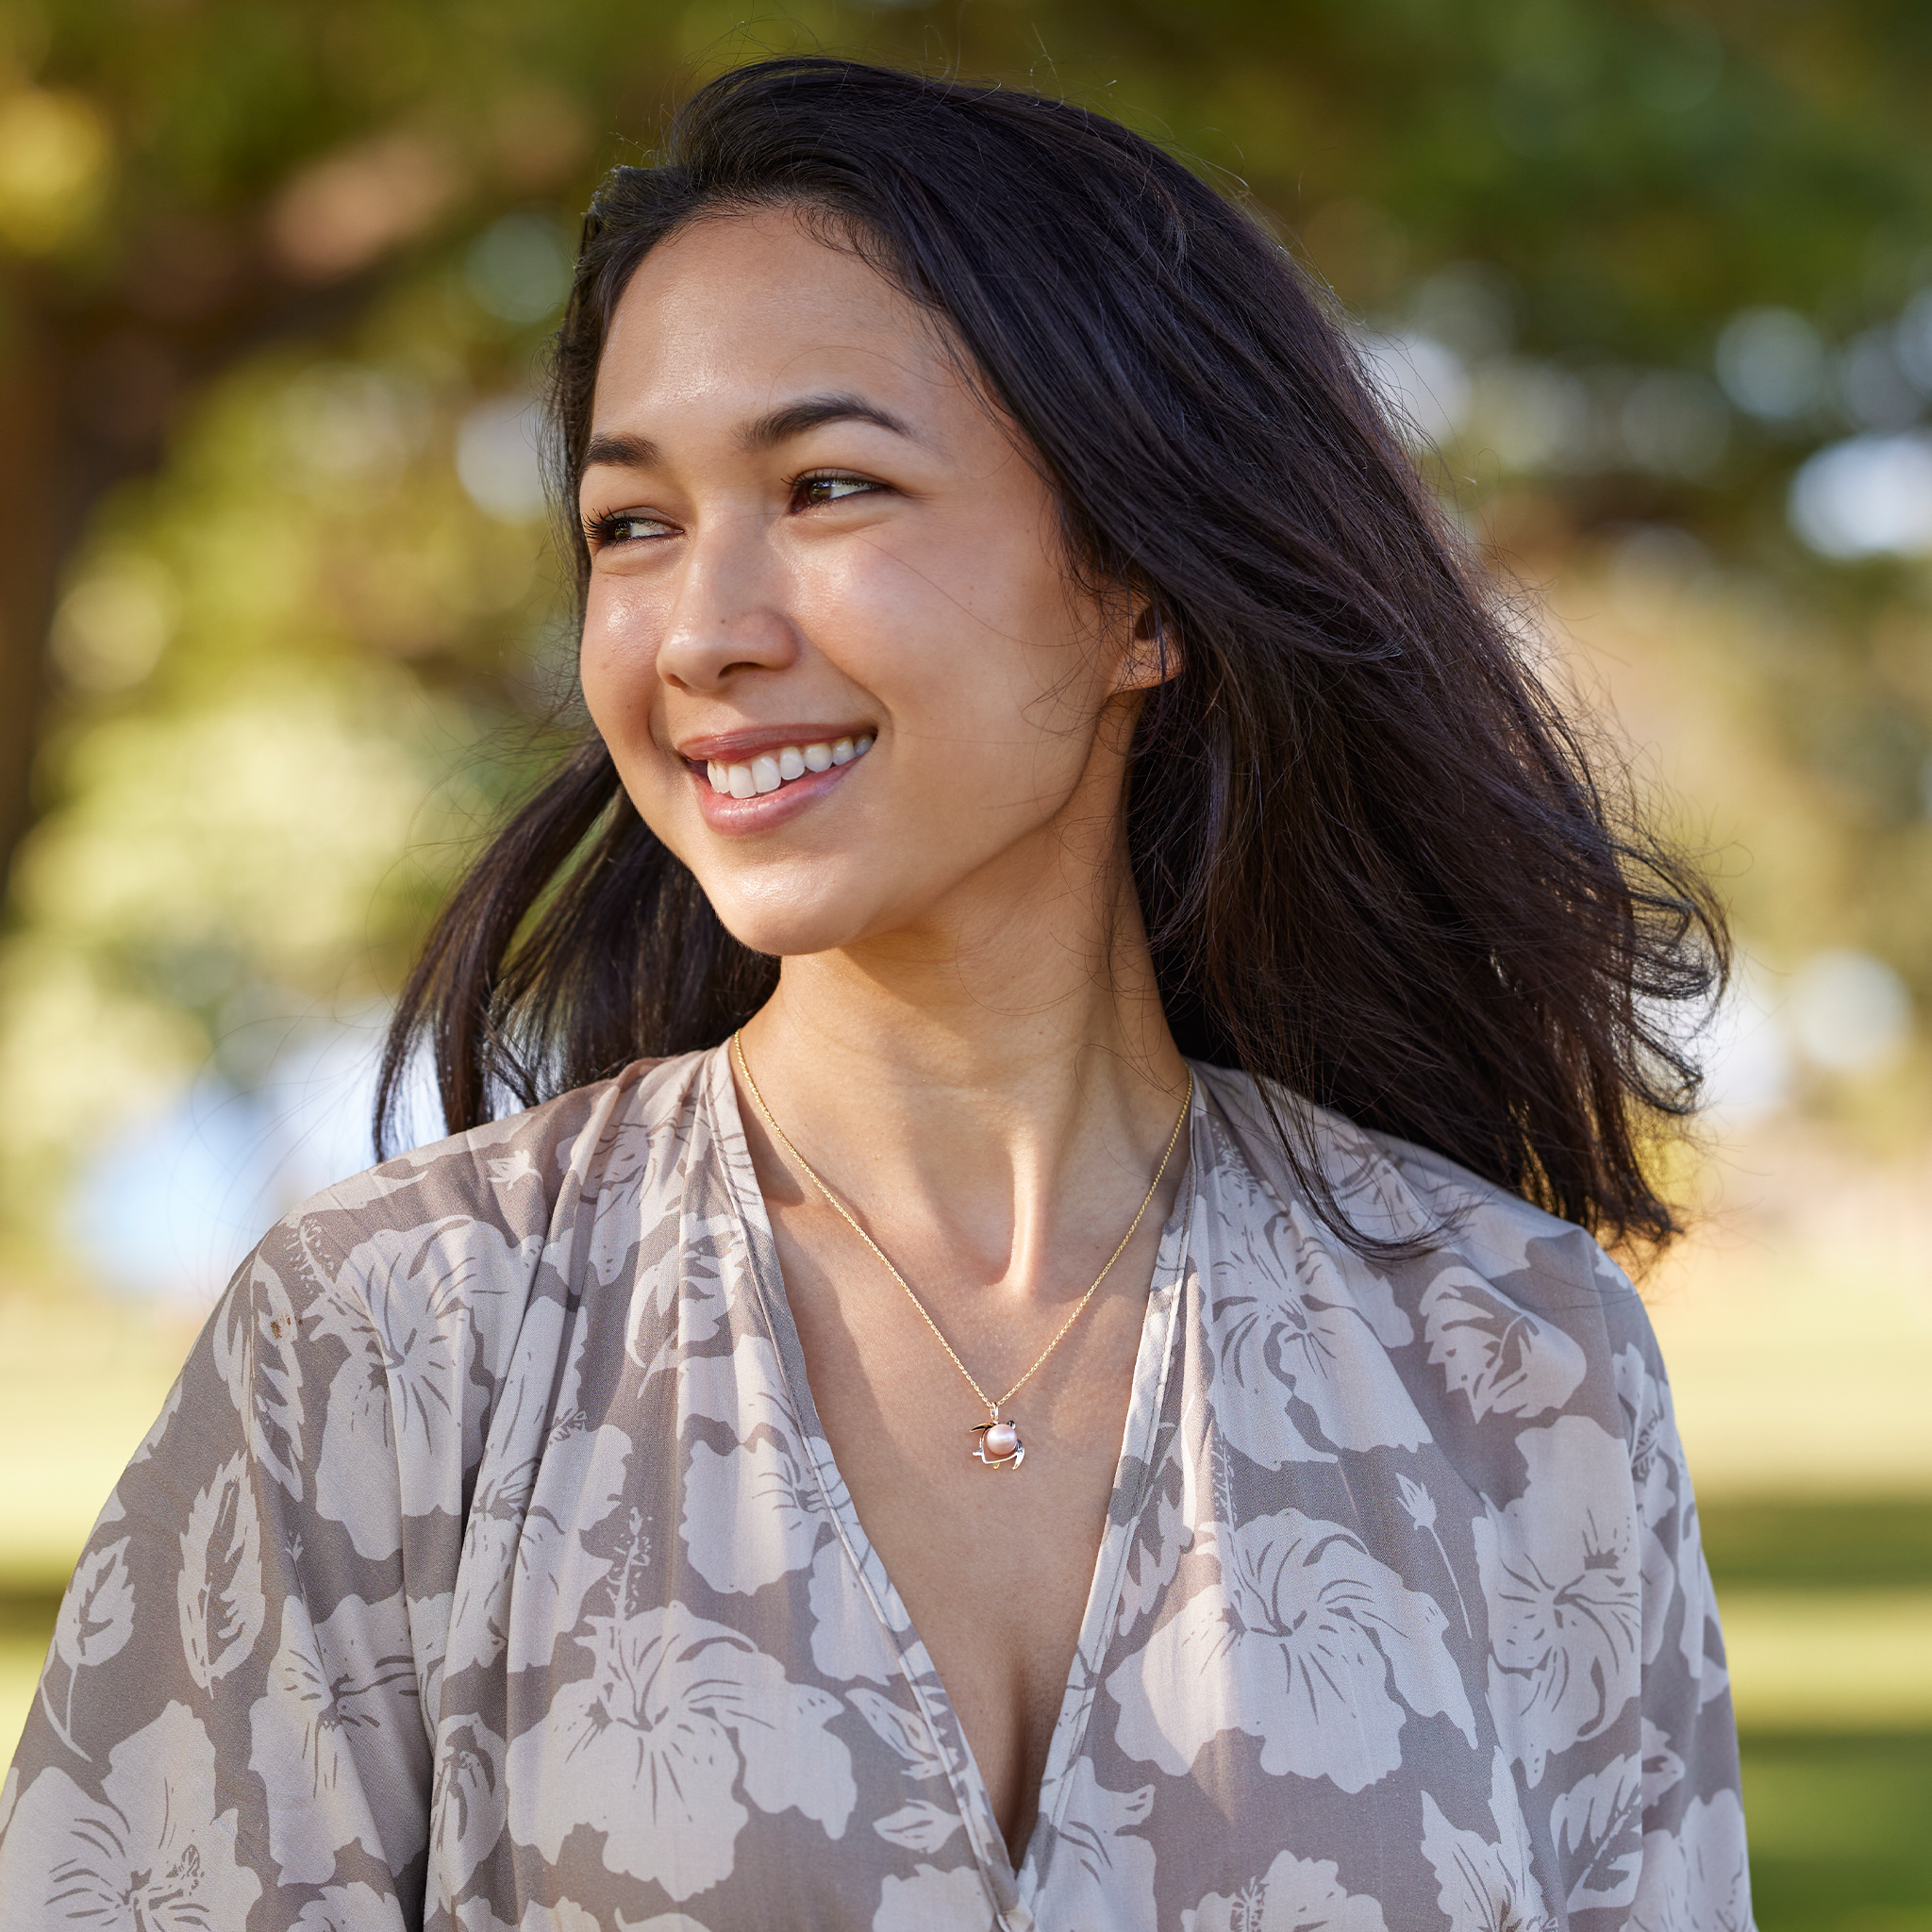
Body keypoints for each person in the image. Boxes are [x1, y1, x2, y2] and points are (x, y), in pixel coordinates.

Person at [0, 55, 1752, 1932]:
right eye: (632, 524)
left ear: (1142, 594)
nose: (701, 630)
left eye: (828, 487)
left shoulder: (1510, 1355)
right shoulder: (389, 1346)